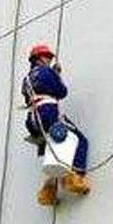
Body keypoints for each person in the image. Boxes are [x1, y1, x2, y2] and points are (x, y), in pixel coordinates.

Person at [21, 44, 91, 206]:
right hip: (47, 112)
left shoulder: (27, 79)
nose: (49, 60)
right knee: (78, 140)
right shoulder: (47, 72)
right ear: (39, 58)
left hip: (32, 119)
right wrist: (56, 75)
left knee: (54, 149)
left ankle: (48, 191)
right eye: (47, 57)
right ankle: (75, 177)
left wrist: (54, 74)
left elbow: (30, 96)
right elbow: (61, 92)